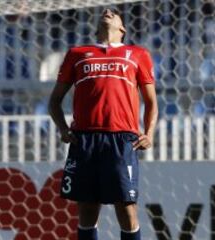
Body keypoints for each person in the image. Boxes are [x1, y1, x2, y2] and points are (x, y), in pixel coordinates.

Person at [48, 8, 158, 240]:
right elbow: (55, 101)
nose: (107, 11)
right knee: (87, 209)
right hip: (85, 139)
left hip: (121, 138)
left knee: (126, 208)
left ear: (123, 28)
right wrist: (63, 129)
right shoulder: (77, 54)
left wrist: (149, 133)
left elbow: (151, 101)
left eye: (114, 12)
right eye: (105, 12)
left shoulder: (137, 54)